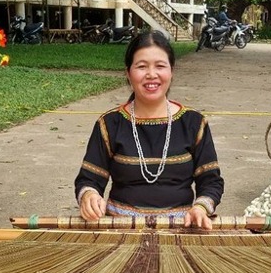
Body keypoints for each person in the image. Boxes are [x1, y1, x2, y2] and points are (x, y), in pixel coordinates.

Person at [74, 31, 225, 230]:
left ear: (171, 71)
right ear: (128, 73)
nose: (151, 74)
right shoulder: (110, 123)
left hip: (181, 228)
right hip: (120, 230)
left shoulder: (194, 123)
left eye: (160, 66)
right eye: (141, 66)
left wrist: (201, 207)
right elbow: (89, 179)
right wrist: (89, 196)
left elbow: (211, 181)